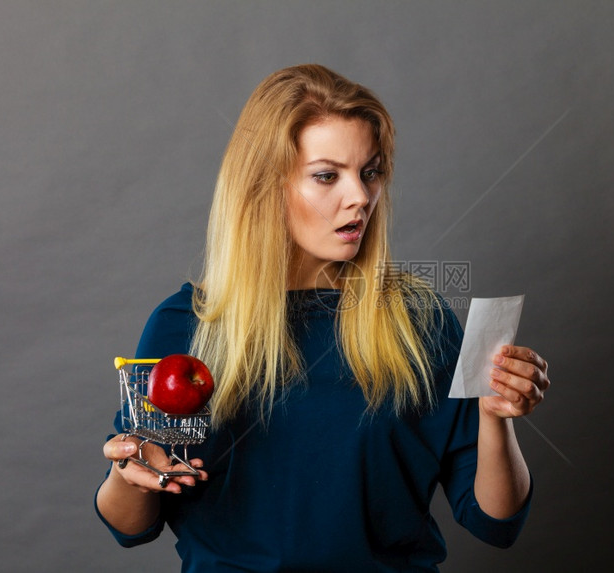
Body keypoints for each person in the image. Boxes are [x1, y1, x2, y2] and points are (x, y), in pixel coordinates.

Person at [95, 64, 550, 572]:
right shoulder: (187, 324)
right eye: (327, 175)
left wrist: (493, 416)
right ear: (264, 186)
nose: (359, 196)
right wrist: (129, 471)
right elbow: (130, 528)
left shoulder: (418, 322)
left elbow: (495, 521)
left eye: (370, 172)